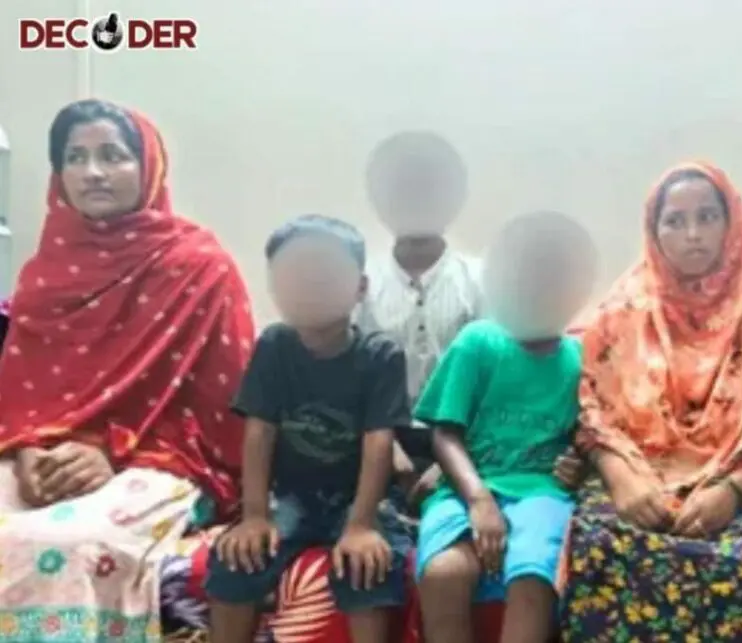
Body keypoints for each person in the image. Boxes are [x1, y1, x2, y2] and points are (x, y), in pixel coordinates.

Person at [0, 99, 253, 643]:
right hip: (45, 458)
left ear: (148, 167)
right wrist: (25, 449)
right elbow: (21, 397)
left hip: (164, 461)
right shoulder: (45, 277)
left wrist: (111, 451)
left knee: (64, 544)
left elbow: (227, 415)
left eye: (112, 155)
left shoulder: (199, 266)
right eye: (76, 157)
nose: (92, 172)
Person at [557, 162, 742, 642]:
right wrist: (622, 480)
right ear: (654, 230)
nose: (693, 234)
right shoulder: (623, 310)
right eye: (675, 221)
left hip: (741, 475)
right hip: (638, 471)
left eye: (707, 217)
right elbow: (594, 415)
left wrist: (732, 492)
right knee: (599, 544)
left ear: (731, 222)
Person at [204, 215, 413, 643]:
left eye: (327, 276)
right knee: (235, 559)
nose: (310, 287)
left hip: (359, 497)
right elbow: (259, 432)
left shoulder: (381, 356)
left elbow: (379, 442)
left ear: (360, 287)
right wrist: (254, 515)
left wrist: (361, 524)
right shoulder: (274, 346)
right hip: (292, 494)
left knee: (368, 565)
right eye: (293, 277)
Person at [414, 212, 597, 643]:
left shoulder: (581, 360)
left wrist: (579, 464)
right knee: (444, 573)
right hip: (468, 486)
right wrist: (479, 500)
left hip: (541, 491)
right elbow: (444, 432)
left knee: (533, 579)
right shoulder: (478, 341)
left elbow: (588, 439)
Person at [356, 131, 483, 499]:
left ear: (455, 199)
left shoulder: (483, 281)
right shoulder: (357, 282)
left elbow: (496, 384)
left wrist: (452, 464)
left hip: (467, 443)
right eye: (401, 190)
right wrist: (387, 453)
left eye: (429, 189)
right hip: (377, 442)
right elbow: (344, 381)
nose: (415, 201)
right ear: (379, 200)